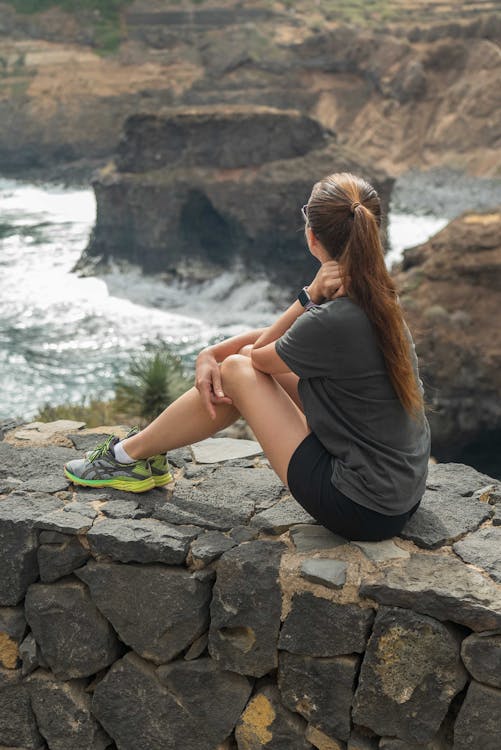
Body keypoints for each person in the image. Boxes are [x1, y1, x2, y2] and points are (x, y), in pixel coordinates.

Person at [64, 171, 431, 542]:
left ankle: (127, 457)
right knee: (235, 362)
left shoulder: (334, 314)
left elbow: (257, 359)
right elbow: (297, 340)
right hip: (399, 493)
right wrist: (213, 350)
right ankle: (140, 452)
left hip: (361, 507)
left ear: (312, 237)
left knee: (238, 370)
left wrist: (306, 297)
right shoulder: (377, 293)